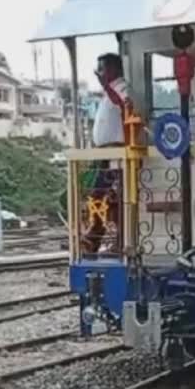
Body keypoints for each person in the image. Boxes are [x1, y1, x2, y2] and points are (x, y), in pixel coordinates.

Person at [83, 53, 133, 255]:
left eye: (103, 69)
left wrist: (106, 86)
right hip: (104, 153)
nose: (100, 73)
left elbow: (125, 106)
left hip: (118, 153)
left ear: (113, 69)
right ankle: (94, 236)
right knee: (97, 196)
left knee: (116, 199)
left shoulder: (122, 88)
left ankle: (121, 240)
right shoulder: (107, 92)